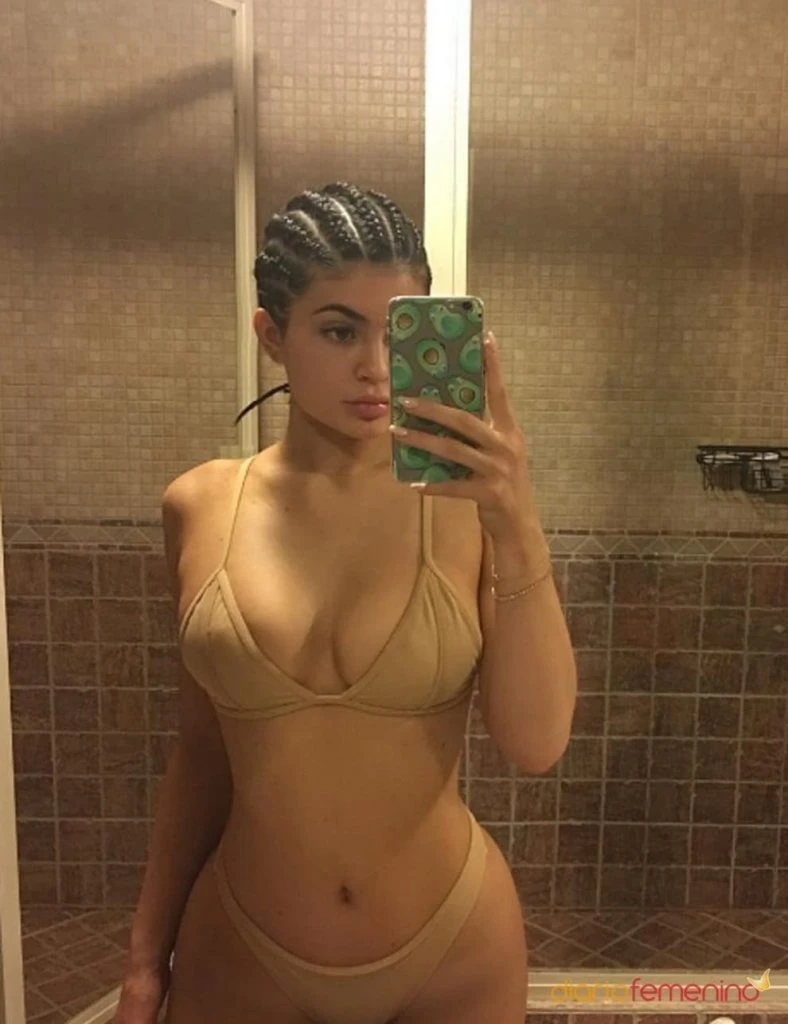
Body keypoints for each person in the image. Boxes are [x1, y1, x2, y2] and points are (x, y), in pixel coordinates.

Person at [114, 182, 577, 1024]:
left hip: (453, 951)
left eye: (398, 330)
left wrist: (518, 523)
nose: (375, 365)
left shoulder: (468, 510)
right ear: (272, 337)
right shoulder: (199, 505)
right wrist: (146, 961)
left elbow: (536, 743)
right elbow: (201, 755)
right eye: (338, 330)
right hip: (241, 951)